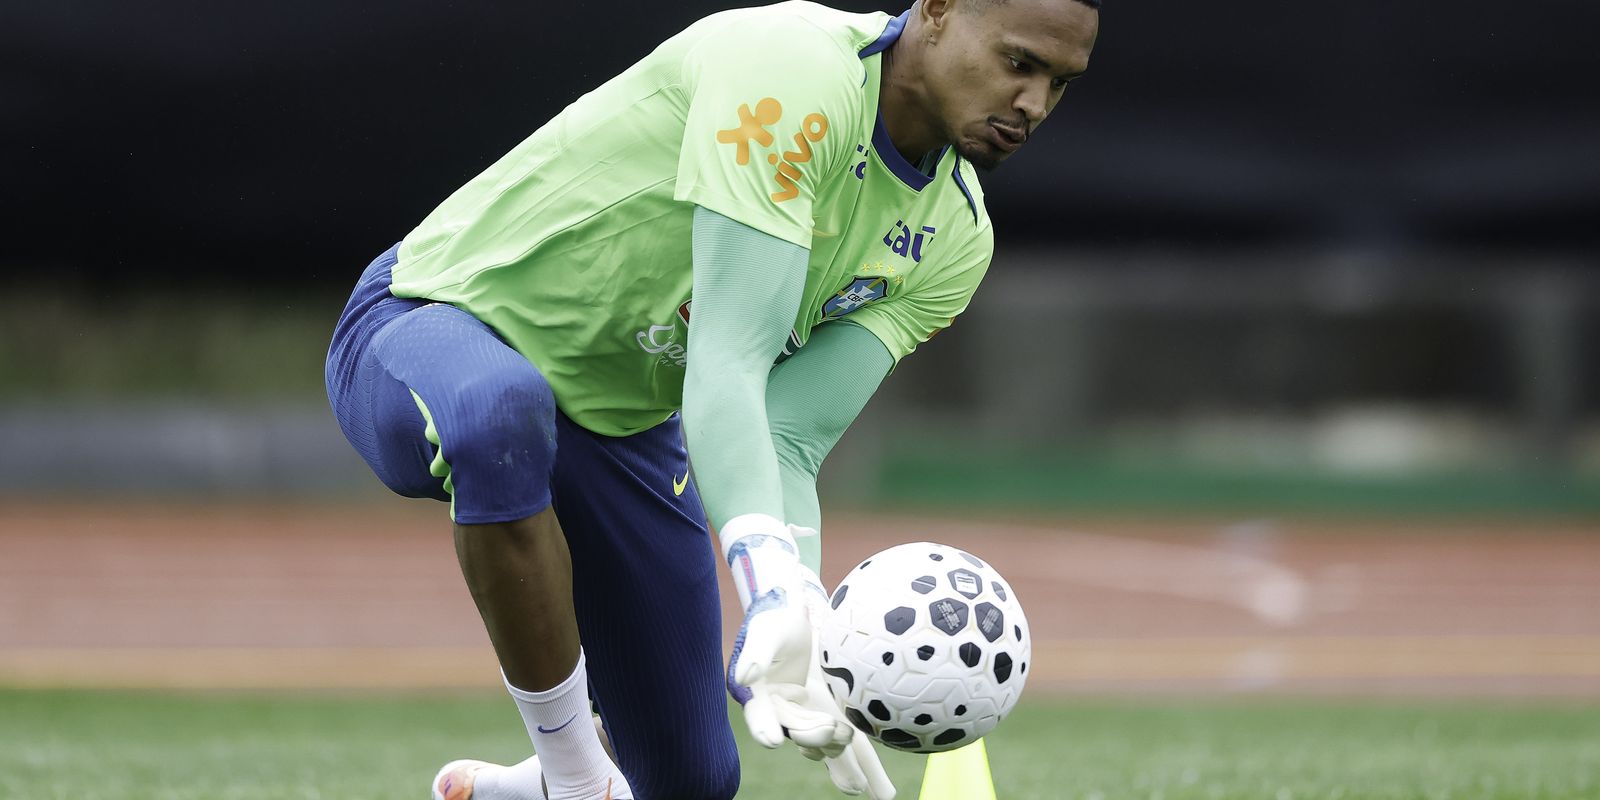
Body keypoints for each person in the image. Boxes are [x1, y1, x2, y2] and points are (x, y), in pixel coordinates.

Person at [324, 0, 1099, 797]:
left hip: (616, 425)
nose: (1035, 103)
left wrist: (801, 613)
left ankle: (524, 791)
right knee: (498, 414)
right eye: (1019, 63)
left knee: (692, 781)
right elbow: (729, 358)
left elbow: (786, 436)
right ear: (936, 10)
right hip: (430, 320)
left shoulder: (957, 241)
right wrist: (766, 580)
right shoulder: (795, 67)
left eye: (1060, 82)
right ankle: (575, 776)